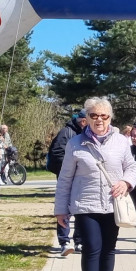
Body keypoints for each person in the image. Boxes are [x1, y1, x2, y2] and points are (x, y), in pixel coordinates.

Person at [54, 97, 136, 271]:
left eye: (104, 116)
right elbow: (65, 178)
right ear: (86, 118)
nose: (99, 120)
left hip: (113, 204)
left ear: (110, 118)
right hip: (86, 203)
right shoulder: (75, 144)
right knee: (92, 247)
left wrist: (126, 182)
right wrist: (61, 209)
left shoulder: (121, 141)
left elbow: (132, 167)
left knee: (109, 249)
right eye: (93, 116)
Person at [47, 109, 88, 255]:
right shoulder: (66, 133)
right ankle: (64, 242)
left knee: (81, 210)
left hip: (82, 179)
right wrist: (69, 169)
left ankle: (79, 241)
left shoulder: (86, 134)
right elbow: (57, 154)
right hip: (67, 178)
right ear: (83, 121)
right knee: (65, 209)